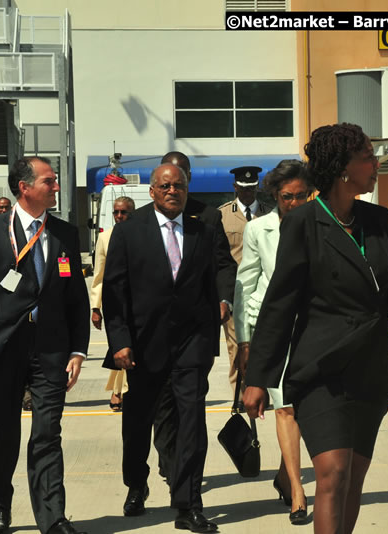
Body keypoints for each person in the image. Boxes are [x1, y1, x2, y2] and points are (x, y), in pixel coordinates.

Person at [243, 123, 388, 534]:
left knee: (352, 480)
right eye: (366, 158)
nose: (375, 164)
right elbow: (281, 302)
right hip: (321, 370)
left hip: (370, 370)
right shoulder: (303, 222)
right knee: (332, 474)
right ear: (342, 169)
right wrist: (258, 378)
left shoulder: (377, 219)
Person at [0, 157, 90, 534]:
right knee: (3, 431)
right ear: (25, 187)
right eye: (49, 181)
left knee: (48, 433)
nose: (55, 187)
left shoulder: (65, 233)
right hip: (2, 350)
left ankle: (53, 517)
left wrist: (78, 350)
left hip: (51, 350)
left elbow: (76, 299)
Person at [103, 163, 220, 533]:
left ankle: (188, 504)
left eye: (180, 186)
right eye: (166, 186)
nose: (173, 191)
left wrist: (219, 315)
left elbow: (214, 279)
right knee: (138, 423)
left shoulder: (202, 229)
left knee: (191, 424)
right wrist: (119, 341)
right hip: (142, 345)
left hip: (190, 345)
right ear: (152, 191)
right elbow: (114, 291)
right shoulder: (129, 231)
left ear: (187, 190)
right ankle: (136, 485)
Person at [151, 151, 237, 484]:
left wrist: (223, 298)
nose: (175, 186)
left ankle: (186, 476)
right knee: (164, 408)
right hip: (156, 334)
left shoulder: (209, 217)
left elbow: (224, 265)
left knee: (191, 406)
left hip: (197, 332)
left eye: (182, 176)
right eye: (168, 180)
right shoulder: (143, 222)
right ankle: (169, 460)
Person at [234, 160, 311, 525]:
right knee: (285, 408)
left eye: (301, 196)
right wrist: (247, 340)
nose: (294, 203)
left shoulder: (318, 227)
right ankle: (297, 491)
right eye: (286, 197)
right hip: (273, 331)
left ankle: (284, 473)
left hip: (313, 330)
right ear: (274, 196)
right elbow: (245, 284)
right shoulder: (257, 230)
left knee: (304, 410)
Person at [218, 166, 267, 399]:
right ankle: (239, 394)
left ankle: (262, 390)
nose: (248, 193)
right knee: (236, 346)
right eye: (243, 188)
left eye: (252, 188)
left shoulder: (271, 214)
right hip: (236, 292)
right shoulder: (223, 215)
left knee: (263, 344)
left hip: (264, 291)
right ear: (235, 187)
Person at [90, 196, 135, 411]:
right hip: (114, 304)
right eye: (116, 212)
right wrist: (95, 308)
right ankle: (118, 392)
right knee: (118, 347)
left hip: (137, 304)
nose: (119, 216)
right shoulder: (105, 238)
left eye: (124, 212)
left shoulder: (142, 235)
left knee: (131, 348)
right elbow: (99, 276)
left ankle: (123, 390)